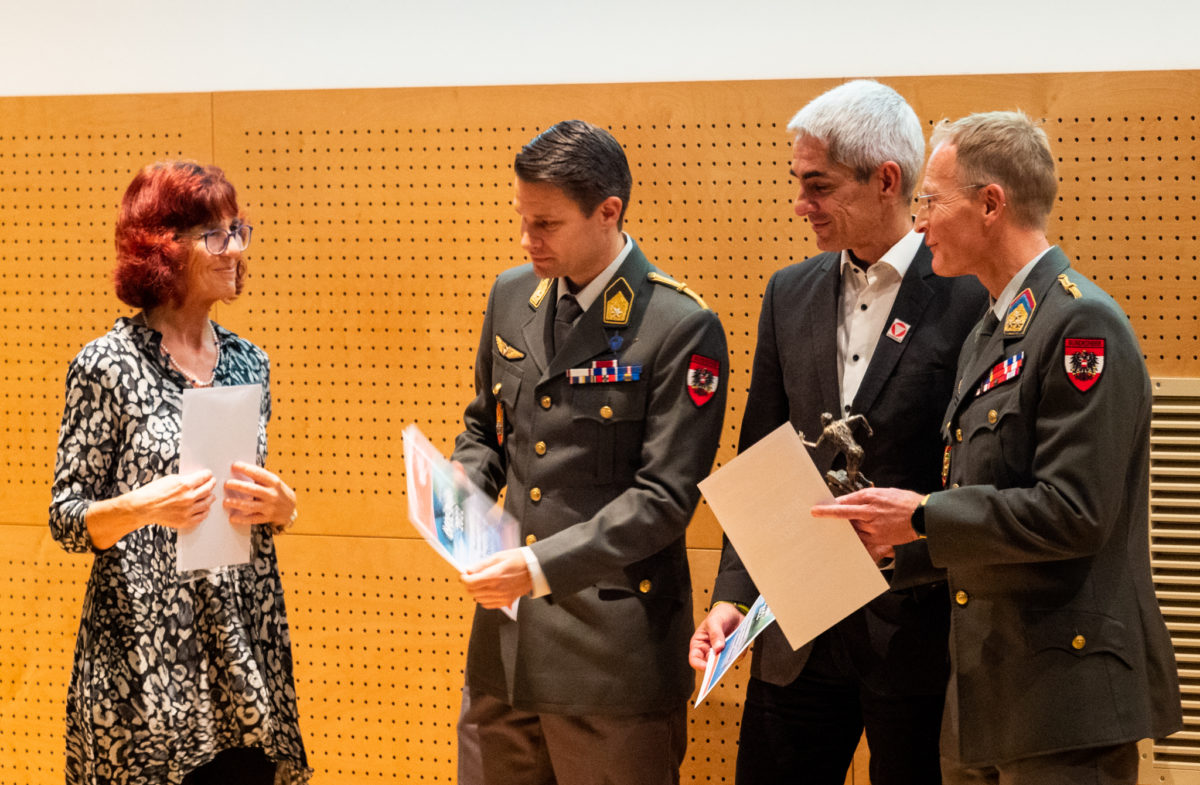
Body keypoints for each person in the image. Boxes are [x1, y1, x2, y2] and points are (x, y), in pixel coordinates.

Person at [812, 111, 1183, 783]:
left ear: (991, 204)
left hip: (1063, 705)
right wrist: (901, 543)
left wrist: (922, 515)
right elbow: (991, 500)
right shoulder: (990, 332)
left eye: (929, 201)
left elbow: (1075, 510)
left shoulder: (1079, 325)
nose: (918, 223)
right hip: (985, 697)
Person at [688, 80, 988, 785]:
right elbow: (759, 457)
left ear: (886, 180)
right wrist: (731, 596)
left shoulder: (972, 295)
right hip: (796, 628)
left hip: (918, 635)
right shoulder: (787, 291)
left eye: (818, 186)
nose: (801, 205)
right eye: (798, 183)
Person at [451, 119, 728, 785]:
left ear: (609, 212)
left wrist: (537, 565)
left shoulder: (679, 325)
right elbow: (485, 428)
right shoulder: (511, 293)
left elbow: (663, 501)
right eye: (522, 218)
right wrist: (455, 489)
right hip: (506, 651)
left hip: (612, 662)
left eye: (546, 223)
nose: (528, 239)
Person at [49, 161, 311, 785]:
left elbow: (245, 505)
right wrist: (141, 506)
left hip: (240, 643)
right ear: (162, 250)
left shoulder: (251, 362)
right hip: (144, 663)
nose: (235, 249)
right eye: (214, 235)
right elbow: (66, 519)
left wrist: (282, 509)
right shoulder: (105, 365)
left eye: (238, 230)